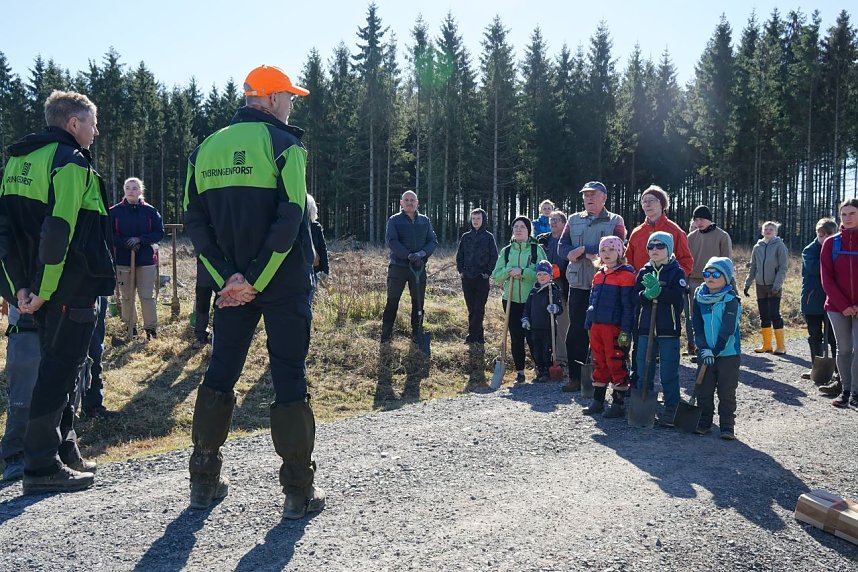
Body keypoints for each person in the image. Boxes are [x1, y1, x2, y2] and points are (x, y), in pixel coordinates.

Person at [183, 64, 322, 518]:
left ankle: (203, 480)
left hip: (230, 288)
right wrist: (257, 278)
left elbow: (195, 223)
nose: (291, 105)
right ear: (270, 98)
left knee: (220, 373)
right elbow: (292, 215)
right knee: (289, 376)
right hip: (283, 283)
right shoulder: (286, 145)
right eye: (289, 98)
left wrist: (229, 278)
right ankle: (298, 492)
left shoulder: (203, 150)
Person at [0, 90, 115, 494]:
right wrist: (44, 290)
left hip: (33, 289)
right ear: (73, 123)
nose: (96, 132)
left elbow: (5, 233)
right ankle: (41, 465)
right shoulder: (70, 161)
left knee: (61, 368)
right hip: (67, 287)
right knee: (60, 371)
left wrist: (18, 288)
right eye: (93, 124)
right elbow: (59, 228)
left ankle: (64, 450)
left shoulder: (17, 161)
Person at [558, 181, 626, 392]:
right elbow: (562, 248)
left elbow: (619, 246)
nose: (588, 198)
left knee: (607, 332)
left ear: (604, 198)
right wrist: (586, 252)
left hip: (607, 284)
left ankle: (615, 379)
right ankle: (576, 378)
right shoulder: (573, 219)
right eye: (585, 195)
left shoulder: (616, 220)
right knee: (576, 331)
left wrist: (580, 250)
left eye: (593, 194)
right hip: (578, 284)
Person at [634, 232, 687, 427]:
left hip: (668, 329)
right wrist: (646, 294)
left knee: (668, 372)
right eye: (651, 246)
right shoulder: (644, 271)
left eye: (660, 246)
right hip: (645, 328)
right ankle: (644, 405)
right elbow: (634, 297)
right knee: (643, 369)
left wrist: (660, 292)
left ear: (669, 249)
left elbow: (677, 297)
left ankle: (672, 407)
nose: (654, 250)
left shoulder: (676, 271)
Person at [582, 236, 636, 418]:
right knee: (599, 361)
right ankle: (598, 400)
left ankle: (618, 403)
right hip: (597, 326)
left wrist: (625, 331)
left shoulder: (626, 276)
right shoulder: (599, 275)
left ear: (620, 252)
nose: (607, 253)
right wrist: (589, 322)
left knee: (616, 361)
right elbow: (592, 301)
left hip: (614, 327)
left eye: (611, 250)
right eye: (603, 250)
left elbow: (628, 307)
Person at [492, 216, 548, 384]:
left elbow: (544, 274)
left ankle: (540, 368)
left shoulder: (536, 250)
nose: (518, 230)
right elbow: (496, 276)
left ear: (528, 230)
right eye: (516, 227)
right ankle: (520, 372)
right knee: (516, 337)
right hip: (511, 299)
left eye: (522, 227)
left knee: (533, 336)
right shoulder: (506, 251)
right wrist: (509, 271)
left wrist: (522, 272)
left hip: (532, 300)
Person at [691, 257, 742, 439]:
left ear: (726, 278)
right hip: (706, 352)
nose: (710, 277)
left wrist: (715, 351)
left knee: (726, 391)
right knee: (704, 390)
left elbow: (728, 329)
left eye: (716, 274)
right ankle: (704, 422)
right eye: (707, 273)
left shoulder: (731, 300)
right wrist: (703, 348)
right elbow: (696, 325)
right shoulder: (699, 297)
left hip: (728, 354)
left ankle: (727, 426)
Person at [110, 177, 165, 340]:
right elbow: (108, 234)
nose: (131, 191)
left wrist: (140, 239)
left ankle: (150, 330)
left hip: (145, 260)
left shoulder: (150, 211)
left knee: (147, 296)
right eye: (128, 187)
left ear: (140, 191)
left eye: (134, 188)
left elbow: (159, 233)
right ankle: (130, 327)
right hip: (123, 260)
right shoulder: (114, 212)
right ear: (124, 190)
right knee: (127, 297)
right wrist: (125, 242)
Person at [381, 190, 438, 343]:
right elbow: (392, 241)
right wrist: (408, 255)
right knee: (392, 301)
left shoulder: (425, 221)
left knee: (418, 302)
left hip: (418, 268)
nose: (409, 202)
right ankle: (386, 335)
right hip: (398, 268)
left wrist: (421, 254)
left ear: (417, 203)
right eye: (406, 200)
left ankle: (417, 333)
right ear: (401, 203)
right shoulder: (394, 220)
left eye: (412, 200)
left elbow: (433, 241)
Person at [820, 199, 858, 408]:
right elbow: (826, 279)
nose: (847, 218)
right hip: (837, 307)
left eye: (852, 213)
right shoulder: (831, 243)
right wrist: (844, 305)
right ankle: (846, 391)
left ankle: (856, 393)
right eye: (844, 214)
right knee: (844, 350)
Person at [686, 205, 733, 357]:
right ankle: (699, 347)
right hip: (694, 281)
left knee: (715, 316)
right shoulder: (691, 237)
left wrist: (728, 283)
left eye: (702, 219)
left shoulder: (722, 236)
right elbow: (686, 261)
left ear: (709, 219)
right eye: (696, 219)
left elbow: (727, 262)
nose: (699, 223)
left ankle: (718, 347)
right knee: (697, 316)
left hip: (717, 281)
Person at [0, 306, 40, 481]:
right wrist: (22, 298)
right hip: (25, 323)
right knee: (22, 399)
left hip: (65, 320)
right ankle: (13, 457)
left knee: (62, 396)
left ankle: (59, 451)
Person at [625, 185, 694, 276]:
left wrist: (673, 279)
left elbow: (686, 262)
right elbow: (627, 261)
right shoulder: (636, 233)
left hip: (668, 283)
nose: (647, 204)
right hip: (641, 282)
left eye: (651, 200)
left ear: (662, 204)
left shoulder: (675, 231)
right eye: (644, 201)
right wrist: (635, 278)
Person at [801, 218, 839, 387]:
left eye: (828, 235)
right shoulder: (809, 250)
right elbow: (815, 269)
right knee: (814, 335)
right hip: (813, 301)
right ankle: (815, 367)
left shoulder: (838, 248)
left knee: (833, 337)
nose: (824, 238)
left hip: (833, 300)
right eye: (820, 234)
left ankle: (838, 371)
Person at [743, 221, 789, 355]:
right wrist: (747, 284)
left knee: (774, 314)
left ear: (776, 232)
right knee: (764, 315)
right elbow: (753, 267)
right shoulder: (757, 247)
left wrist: (777, 285)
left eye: (771, 229)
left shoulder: (780, 246)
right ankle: (767, 345)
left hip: (774, 285)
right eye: (766, 229)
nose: (768, 231)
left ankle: (780, 346)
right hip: (760, 286)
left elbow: (783, 268)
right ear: (762, 231)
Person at [455, 208, 498, 344]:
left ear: (483, 219)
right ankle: (479, 338)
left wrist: (488, 272)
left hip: (481, 277)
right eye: (473, 218)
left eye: (478, 218)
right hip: (467, 277)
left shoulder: (489, 237)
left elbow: (494, 256)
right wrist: (461, 271)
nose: (475, 221)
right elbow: (459, 255)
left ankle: (472, 336)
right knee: (471, 309)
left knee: (479, 308)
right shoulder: (465, 236)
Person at [536, 211, 569, 369]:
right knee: (545, 324)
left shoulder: (568, 240)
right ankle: (546, 359)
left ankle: (562, 359)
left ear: (564, 223)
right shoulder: (543, 239)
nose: (553, 223)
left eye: (556, 220)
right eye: (551, 220)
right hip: (544, 287)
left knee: (562, 324)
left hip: (563, 287)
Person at [521, 260, 563, 382]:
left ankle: (547, 371)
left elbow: (560, 308)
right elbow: (527, 308)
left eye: (545, 274)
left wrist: (555, 308)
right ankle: (539, 370)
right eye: (539, 274)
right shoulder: (533, 292)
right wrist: (525, 318)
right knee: (536, 351)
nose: (542, 277)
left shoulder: (553, 290)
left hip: (548, 327)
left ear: (550, 276)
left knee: (547, 350)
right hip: (535, 327)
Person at [306, 194, 329, 303]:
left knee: (308, 301)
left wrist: (325, 271)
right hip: (297, 271)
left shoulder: (316, 227)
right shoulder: (292, 226)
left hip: (314, 270)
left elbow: (322, 250)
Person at [191, 257, 215, 347]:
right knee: (202, 298)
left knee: (223, 298)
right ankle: (201, 336)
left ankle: (219, 337)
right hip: (204, 260)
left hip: (226, 259)